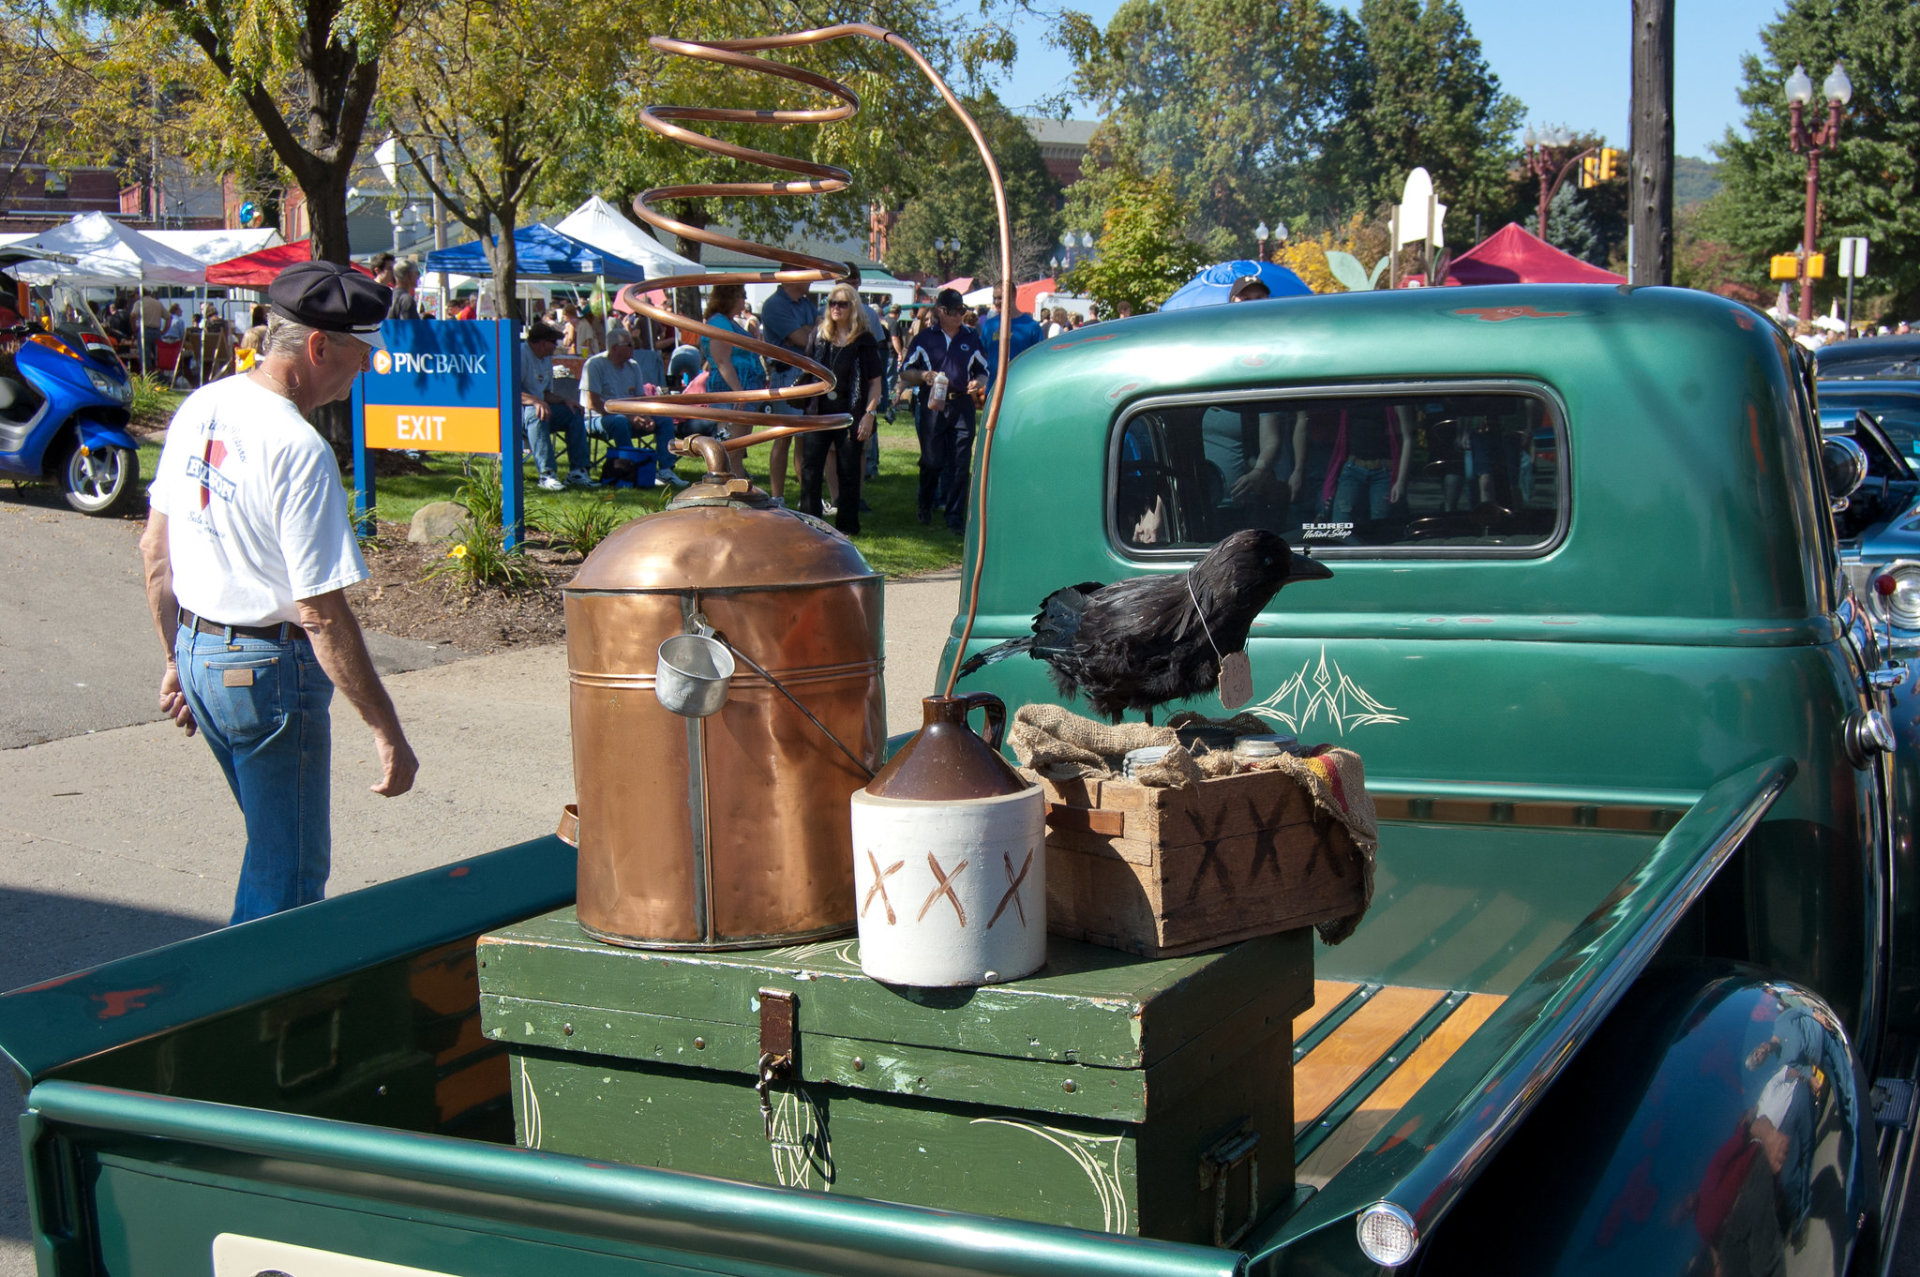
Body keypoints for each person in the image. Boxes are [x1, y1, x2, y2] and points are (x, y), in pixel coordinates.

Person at [138, 260, 418, 924]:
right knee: (285, 878)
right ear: (319, 347)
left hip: (205, 653)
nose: (364, 370)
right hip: (267, 671)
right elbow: (320, 610)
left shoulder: (203, 404)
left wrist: (179, 657)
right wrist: (387, 730)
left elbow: (155, 553)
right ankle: (254, 1018)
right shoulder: (297, 445)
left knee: (272, 854)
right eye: (361, 354)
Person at [901, 288, 988, 532]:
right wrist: (923, 375)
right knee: (932, 460)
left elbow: (983, 369)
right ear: (941, 311)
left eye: (963, 310)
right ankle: (925, 504)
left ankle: (954, 516)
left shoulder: (971, 337)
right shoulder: (925, 339)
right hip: (933, 402)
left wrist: (978, 382)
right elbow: (905, 371)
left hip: (961, 404)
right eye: (955, 311)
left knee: (961, 461)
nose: (960, 315)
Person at [799, 282, 882, 534]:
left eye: (842, 303)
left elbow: (875, 382)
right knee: (810, 468)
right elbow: (806, 370)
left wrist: (869, 414)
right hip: (818, 412)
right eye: (832, 303)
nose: (836, 308)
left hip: (850, 413)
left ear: (853, 307)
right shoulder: (819, 335)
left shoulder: (864, 340)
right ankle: (809, 523)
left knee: (849, 470)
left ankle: (846, 526)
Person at [582, 327, 687, 489]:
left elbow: (640, 399)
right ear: (615, 348)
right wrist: (630, 417)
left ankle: (666, 470)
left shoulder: (633, 366)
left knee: (664, 419)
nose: (633, 348)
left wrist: (646, 416)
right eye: (629, 345)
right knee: (619, 421)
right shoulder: (595, 364)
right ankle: (630, 470)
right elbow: (592, 403)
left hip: (629, 417)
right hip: (598, 418)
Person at [760, 277, 819, 505]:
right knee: (783, 436)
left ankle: (807, 497)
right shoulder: (775, 305)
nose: (811, 281)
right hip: (786, 375)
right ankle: (777, 497)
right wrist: (807, 331)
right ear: (793, 277)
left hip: (808, 375)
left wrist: (808, 332)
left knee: (804, 439)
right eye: (807, 276)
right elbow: (805, 339)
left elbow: (821, 335)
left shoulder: (806, 304)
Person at [701, 284, 767, 477]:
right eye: (741, 296)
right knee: (731, 446)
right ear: (728, 298)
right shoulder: (719, 323)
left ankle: (736, 486)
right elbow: (721, 360)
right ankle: (728, 487)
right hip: (732, 391)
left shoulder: (729, 322)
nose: (744, 301)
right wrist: (739, 393)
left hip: (741, 391)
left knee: (738, 447)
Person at [519, 319, 592, 490]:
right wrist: (536, 401)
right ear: (542, 343)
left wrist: (564, 400)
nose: (556, 346)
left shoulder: (545, 360)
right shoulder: (520, 355)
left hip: (540, 408)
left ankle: (578, 471)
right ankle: (547, 474)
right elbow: (508, 391)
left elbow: (545, 394)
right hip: (516, 413)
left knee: (573, 412)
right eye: (553, 342)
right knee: (536, 413)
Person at [978, 281, 1045, 388]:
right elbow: (983, 354)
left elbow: (1039, 358)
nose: (996, 302)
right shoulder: (989, 325)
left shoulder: (1031, 326)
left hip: (1020, 389)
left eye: (1000, 298)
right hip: (993, 390)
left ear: (1013, 295)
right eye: (994, 298)